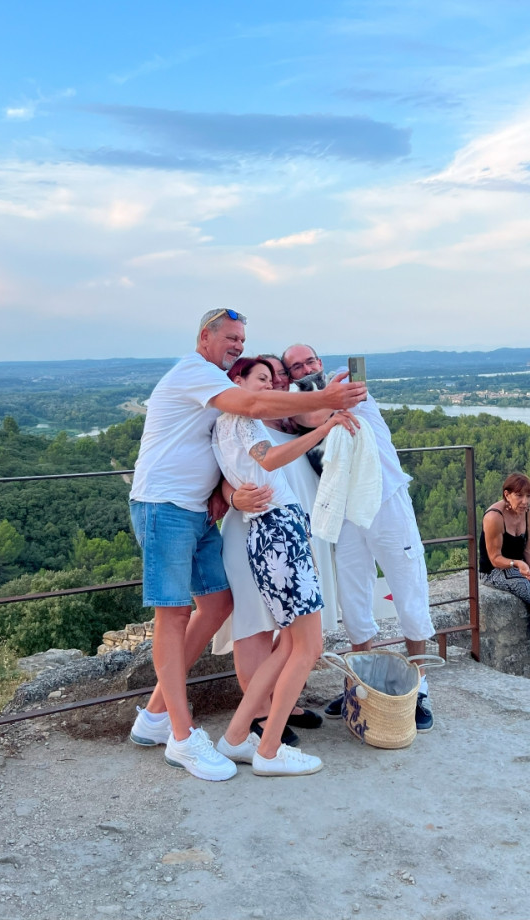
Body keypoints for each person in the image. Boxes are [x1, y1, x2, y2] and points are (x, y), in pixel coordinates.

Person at [127, 308, 367, 782]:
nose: (238, 343)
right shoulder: (198, 373)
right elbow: (255, 422)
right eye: (231, 338)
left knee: (217, 607)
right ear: (204, 337)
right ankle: (181, 735)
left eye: (242, 338)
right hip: (165, 506)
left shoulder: (218, 397)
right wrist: (328, 399)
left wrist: (225, 494)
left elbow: (230, 454)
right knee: (173, 615)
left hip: (196, 511)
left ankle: (157, 715)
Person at [211, 356, 356, 775]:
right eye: (259, 380)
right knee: (307, 646)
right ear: (236, 381)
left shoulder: (226, 423)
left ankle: (236, 736)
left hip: (272, 530)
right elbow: (271, 460)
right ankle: (269, 750)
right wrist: (327, 427)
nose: (268, 387)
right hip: (278, 531)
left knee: (292, 644)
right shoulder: (242, 419)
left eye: (271, 381)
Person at [282, 344, 436, 732]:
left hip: (387, 501)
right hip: (346, 510)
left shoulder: (345, 382)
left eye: (309, 361)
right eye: (295, 366)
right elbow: (305, 415)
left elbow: (313, 413)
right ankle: (360, 686)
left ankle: (419, 692)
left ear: (320, 361)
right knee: (353, 600)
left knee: (409, 594)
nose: (305, 368)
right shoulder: (299, 403)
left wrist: (315, 401)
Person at [479, 473, 530, 672]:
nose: (525, 501)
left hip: (520, 564)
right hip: (496, 571)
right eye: (519, 496)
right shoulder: (494, 517)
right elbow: (494, 558)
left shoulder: (526, 512)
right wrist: (517, 565)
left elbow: (528, 549)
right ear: (507, 495)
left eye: (529, 496)